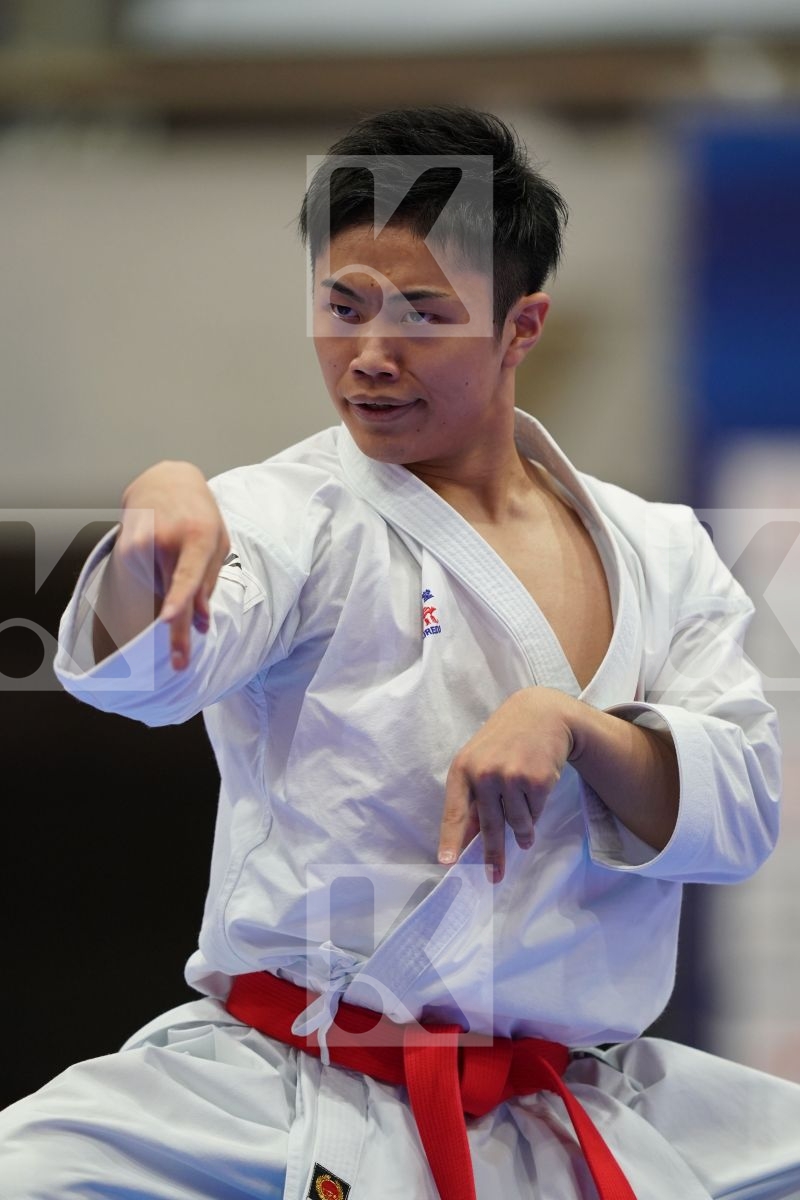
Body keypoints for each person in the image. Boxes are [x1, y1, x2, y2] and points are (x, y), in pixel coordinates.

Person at [2, 105, 799, 1200]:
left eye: (423, 313)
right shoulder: (291, 514)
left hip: (569, 1109)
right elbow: (156, 675)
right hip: (289, 1090)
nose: (369, 355)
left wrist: (573, 728)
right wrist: (157, 517)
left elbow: (740, 809)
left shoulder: (659, 551)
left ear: (521, 327)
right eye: (342, 307)